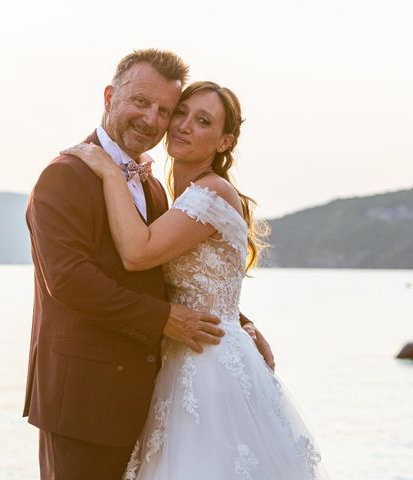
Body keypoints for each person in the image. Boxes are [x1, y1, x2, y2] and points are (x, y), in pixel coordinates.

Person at [24, 49, 273, 480]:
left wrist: (237, 322)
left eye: (164, 109)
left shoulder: (155, 188)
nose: (152, 119)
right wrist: (166, 320)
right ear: (109, 96)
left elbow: (169, 275)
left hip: (150, 401)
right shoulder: (66, 174)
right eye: (141, 102)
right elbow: (68, 281)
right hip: (83, 401)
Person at [62, 80, 328, 479]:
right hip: (188, 357)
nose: (183, 125)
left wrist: (107, 171)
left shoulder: (212, 193)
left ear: (224, 142)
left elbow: (138, 254)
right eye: (180, 113)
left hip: (209, 368)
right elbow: (196, 287)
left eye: (202, 120)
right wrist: (243, 321)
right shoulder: (177, 196)